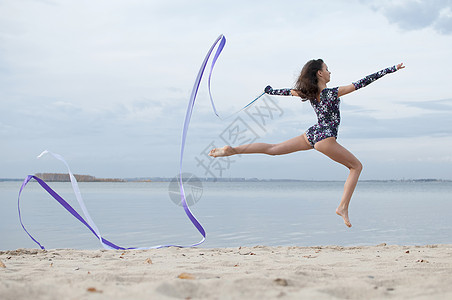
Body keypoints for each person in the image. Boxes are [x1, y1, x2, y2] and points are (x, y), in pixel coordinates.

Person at [209, 59, 405, 227]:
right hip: (325, 137)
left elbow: (287, 92)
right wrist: (390, 69)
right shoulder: (331, 93)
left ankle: (232, 150)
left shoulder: (309, 93)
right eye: (327, 69)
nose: (330, 72)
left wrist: (270, 91)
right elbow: (363, 82)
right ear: (320, 73)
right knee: (356, 166)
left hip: (312, 134)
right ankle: (343, 207)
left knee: (273, 149)